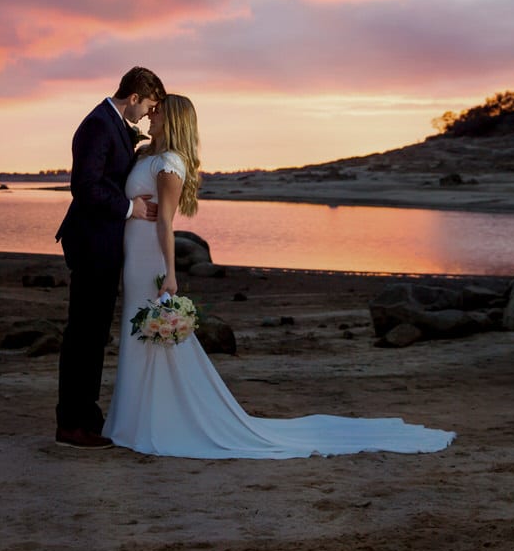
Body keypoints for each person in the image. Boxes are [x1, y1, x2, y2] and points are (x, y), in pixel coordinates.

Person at [103, 93, 456, 458]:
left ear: (174, 119)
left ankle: (153, 421)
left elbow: (166, 222)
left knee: (150, 333)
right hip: (135, 256)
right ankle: (136, 418)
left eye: (158, 111)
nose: (151, 115)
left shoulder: (170, 163)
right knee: (140, 332)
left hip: (150, 258)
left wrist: (171, 275)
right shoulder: (148, 155)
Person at [54, 67, 166, 449]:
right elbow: (84, 187)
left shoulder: (114, 124)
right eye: (148, 107)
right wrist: (129, 208)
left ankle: (86, 417)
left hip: (103, 245)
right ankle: (72, 424)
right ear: (133, 97)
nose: (148, 116)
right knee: (84, 334)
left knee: (93, 333)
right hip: (91, 243)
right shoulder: (98, 124)